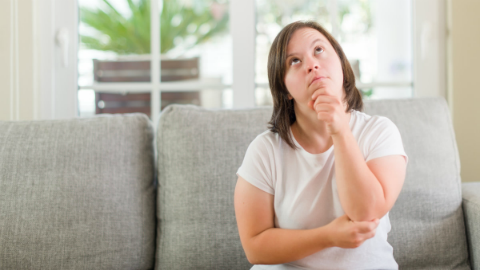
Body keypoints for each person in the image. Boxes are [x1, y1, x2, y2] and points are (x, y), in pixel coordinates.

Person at [234, 21, 408, 270]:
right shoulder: (265, 151)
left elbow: (366, 212)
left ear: (342, 65)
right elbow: (255, 246)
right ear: (285, 89)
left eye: (318, 50)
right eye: (294, 61)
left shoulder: (380, 132)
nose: (312, 64)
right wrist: (328, 236)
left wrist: (339, 130)